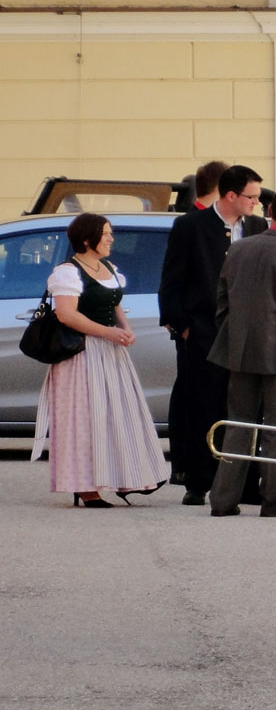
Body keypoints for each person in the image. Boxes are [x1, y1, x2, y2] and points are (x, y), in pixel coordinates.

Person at [33, 213, 169, 507]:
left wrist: (125, 328)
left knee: (114, 416)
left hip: (110, 352)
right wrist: (107, 332)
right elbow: (66, 314)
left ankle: (124, 477)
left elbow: (115, 302)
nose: (111, 238)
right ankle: (83, 486)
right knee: (83, 419)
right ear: (86, 239)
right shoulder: (67, 272)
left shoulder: (107, 267)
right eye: (105, 233)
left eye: (110, 233)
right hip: (80, 354)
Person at [159, 165, 268, 506]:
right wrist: (184, 326)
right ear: (231, 195)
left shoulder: (256, 227)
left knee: (247, 408)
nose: (257, 204)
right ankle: (198, 481)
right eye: (252, 197)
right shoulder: (190, 226)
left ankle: (247, 484)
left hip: (247, 332)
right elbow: (172, 279)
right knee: (203, 404)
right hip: (204, 332)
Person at [207, 188, 276, 518]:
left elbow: (222, 303)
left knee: (238, 424)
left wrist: (233, 334)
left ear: (268, 211)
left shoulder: (238, 249)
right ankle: (274, 499)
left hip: (239, 349)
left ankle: (223, 499)